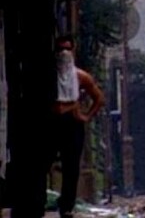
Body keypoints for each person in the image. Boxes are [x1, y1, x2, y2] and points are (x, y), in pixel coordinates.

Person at [46, 35, 104, 218]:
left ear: (73, 51)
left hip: (72, 122)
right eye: (60, 49)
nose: (64, 53)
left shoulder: (80, 76)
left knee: (71, 166)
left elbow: (99, 98)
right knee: (43, 161)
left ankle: (67, 206)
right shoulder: (49, 75)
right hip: (52, 122)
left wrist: (86, 116)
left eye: (67, 49)